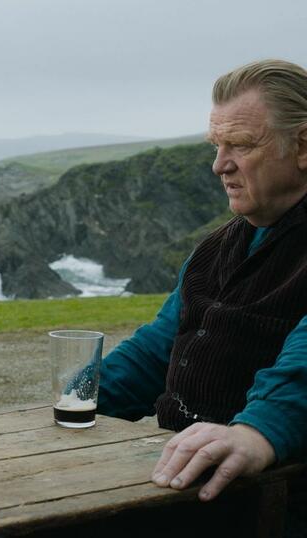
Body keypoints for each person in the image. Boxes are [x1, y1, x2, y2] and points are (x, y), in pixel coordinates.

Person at [97, 59, 307, 502]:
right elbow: (161, 346)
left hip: (270, 492)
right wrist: (80, 393)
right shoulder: (215, 248)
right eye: (217, 144)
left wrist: (258, 432)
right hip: (185, 481)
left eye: (240, 145)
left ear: (304, 146)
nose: (219, 165)